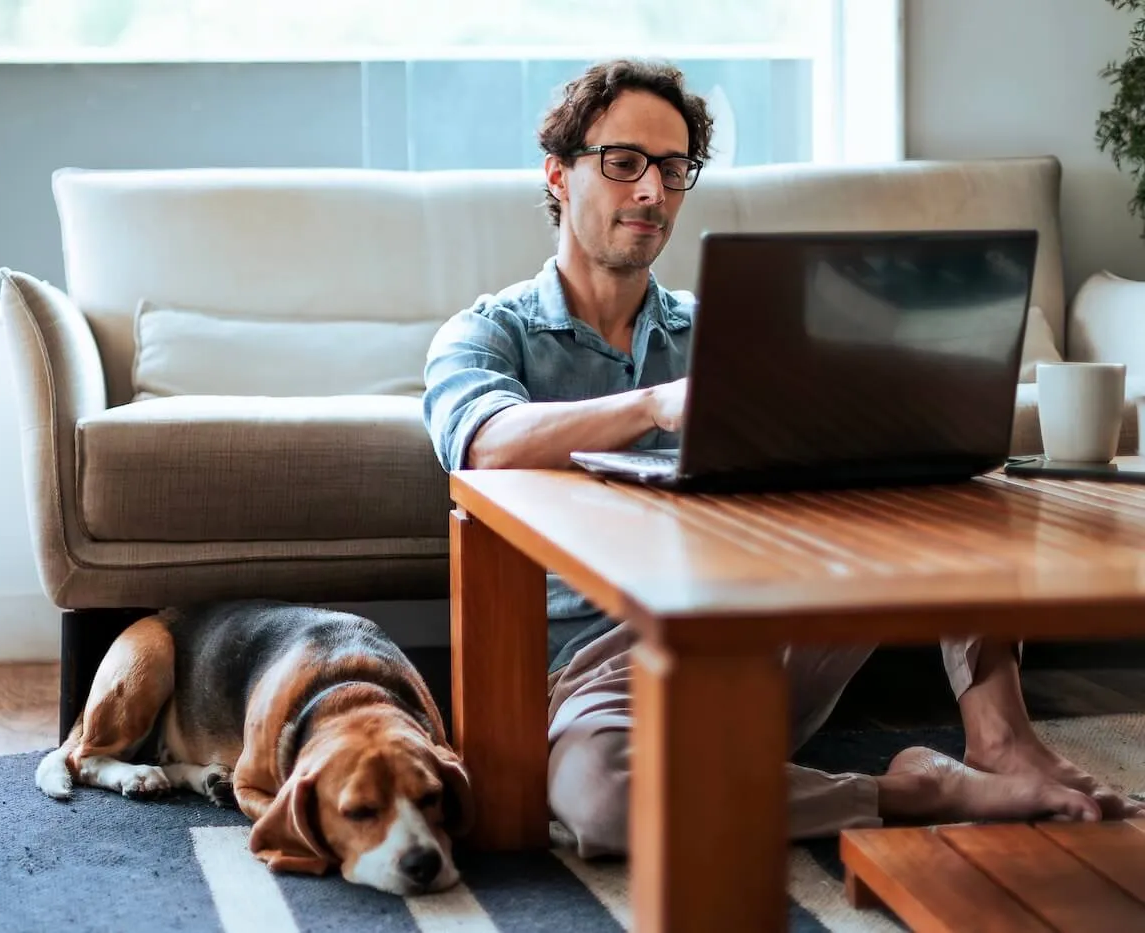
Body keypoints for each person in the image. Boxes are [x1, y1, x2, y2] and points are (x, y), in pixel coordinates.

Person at [421, 57, 1140, 858]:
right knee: (601, 799)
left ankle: (998, 737)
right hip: (595, 680)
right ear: (558, 174)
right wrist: (655, 404)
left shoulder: (732, 324)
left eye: (673, 168)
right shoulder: (486, 334)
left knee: (936, 474)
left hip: (750, 625)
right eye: (624, 164)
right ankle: (907, 791)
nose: (653, 193)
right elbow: (484, 443)